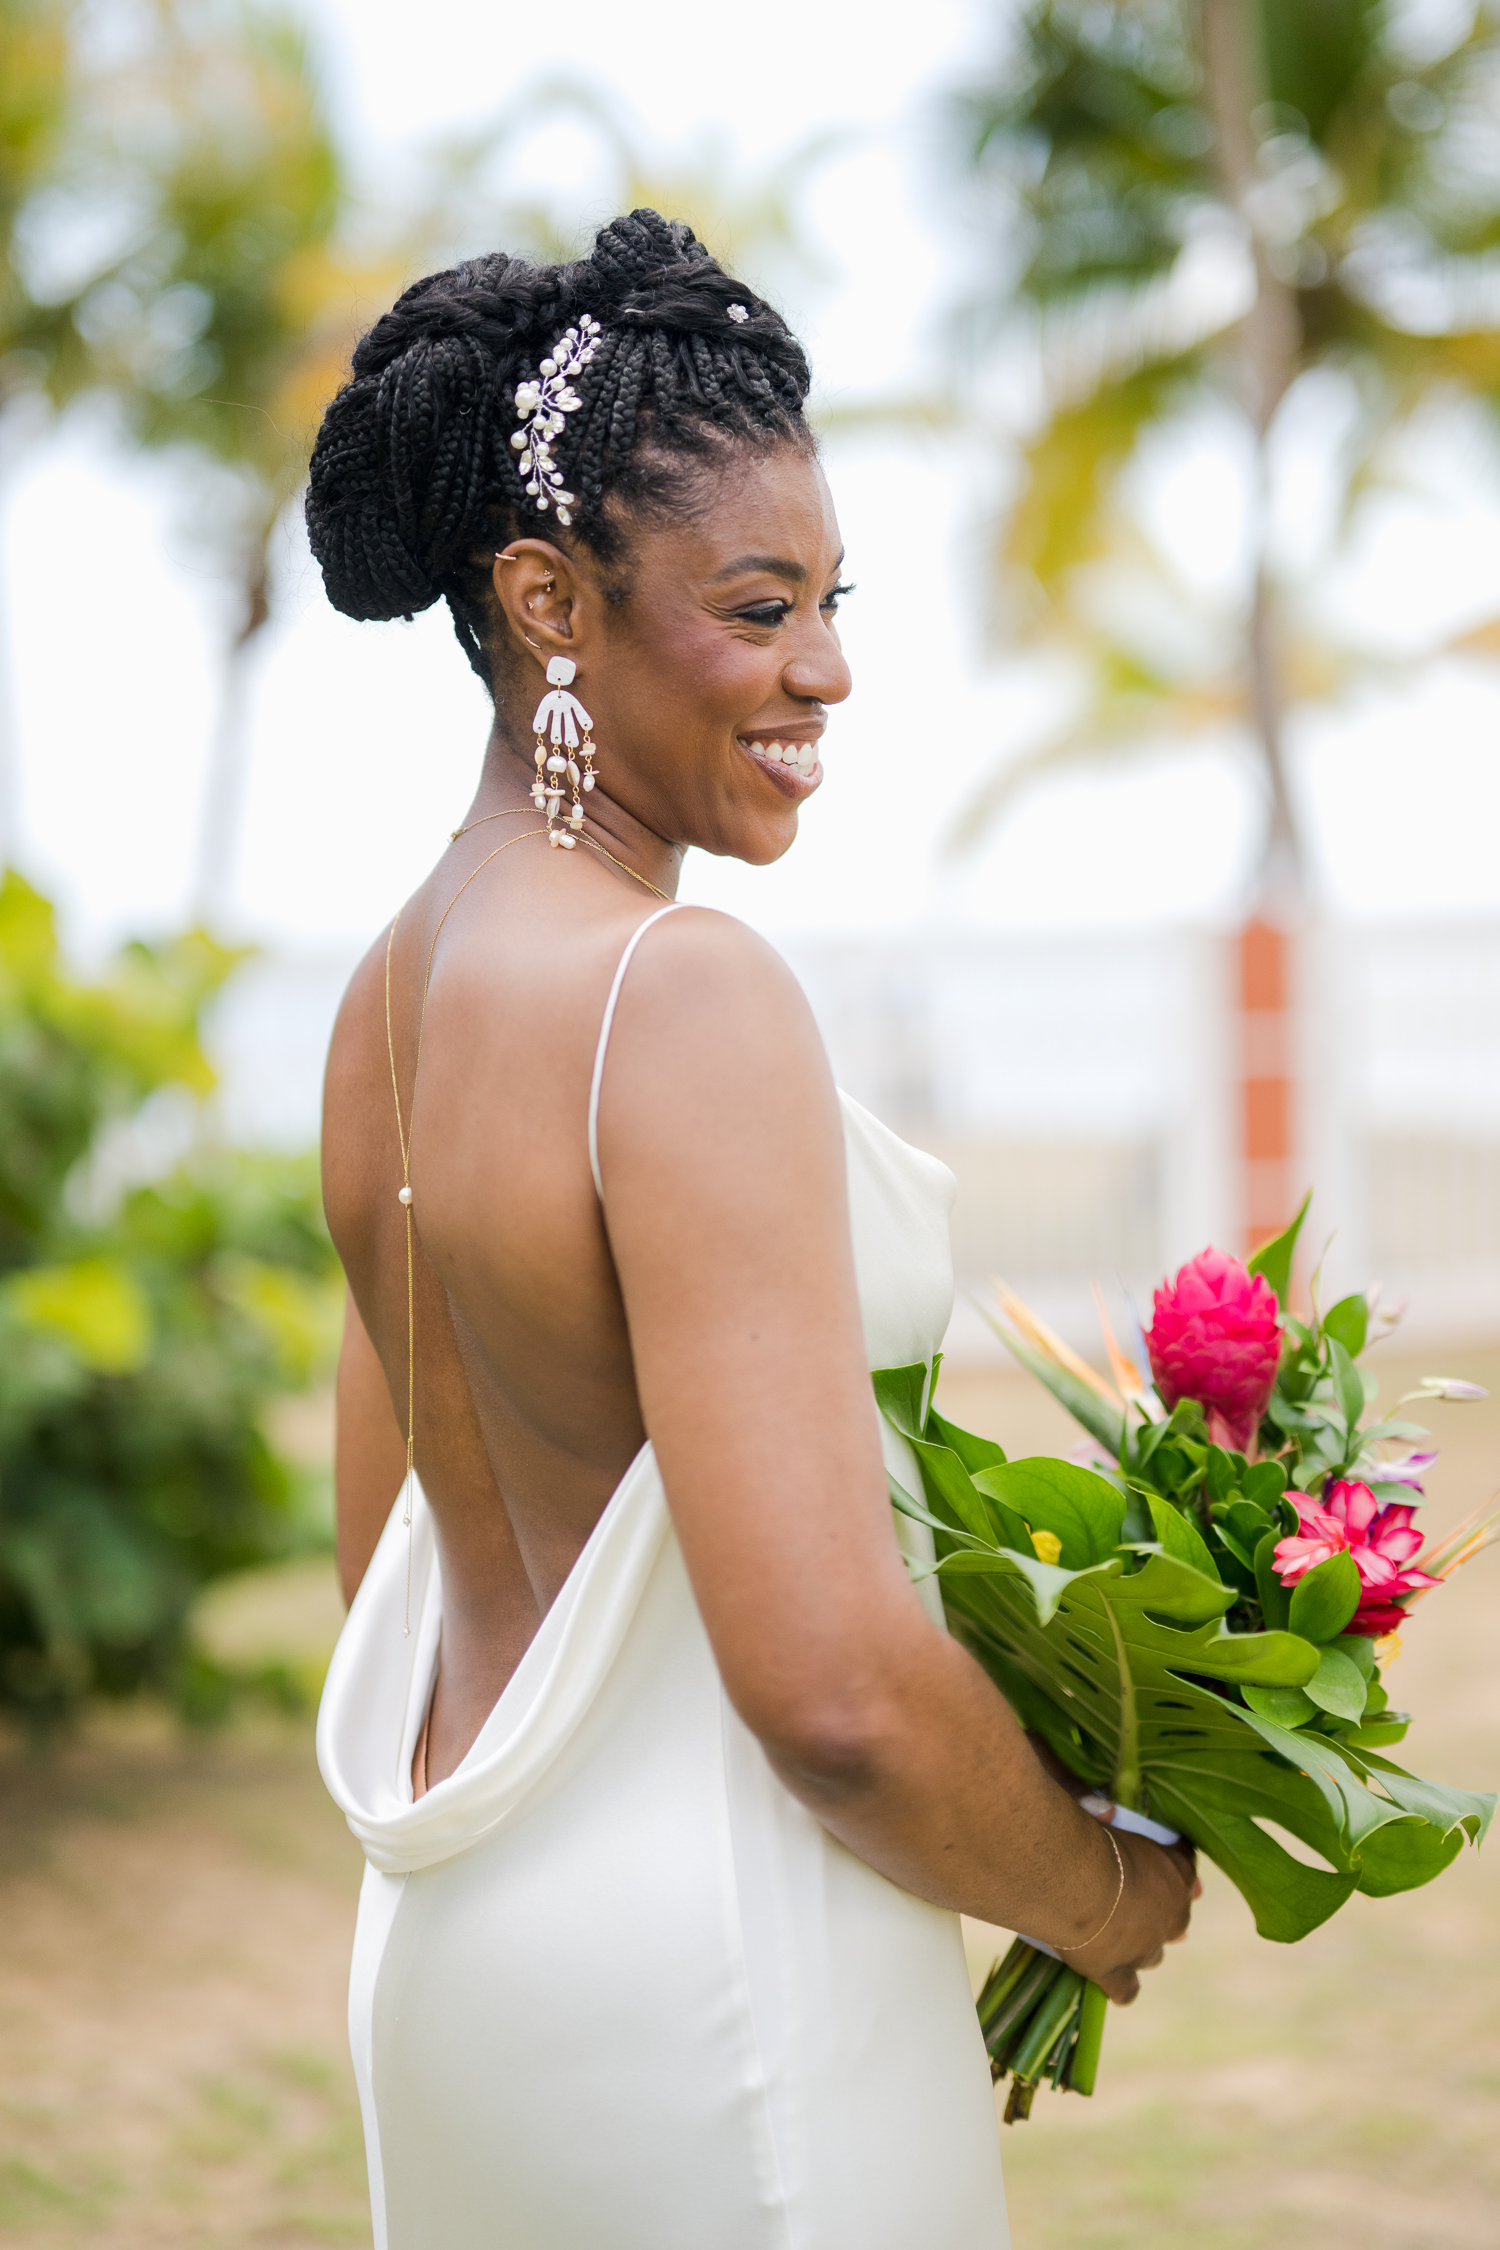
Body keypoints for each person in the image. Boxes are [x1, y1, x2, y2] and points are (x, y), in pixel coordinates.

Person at [310, 208, 1195, 2250]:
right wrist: (1102, 1883)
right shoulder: (673, 997)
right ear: (548, 603)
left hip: (460, 1952)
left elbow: (396, 1571)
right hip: (722, 1973)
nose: (829, 668)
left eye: (832, 600)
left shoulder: (375, 1013)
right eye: (758, 604)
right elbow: (831, 1695)